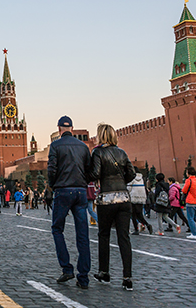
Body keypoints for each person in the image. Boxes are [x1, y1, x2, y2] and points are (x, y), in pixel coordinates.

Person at [89, 123, 136, 291]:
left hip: (107, 199)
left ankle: (104, 272)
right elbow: (131, 173)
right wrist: (121, 183)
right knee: (124, 238)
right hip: (124, 198)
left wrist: (90, 176)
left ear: (101, 136)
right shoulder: (122, 152)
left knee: (104, 235)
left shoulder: (98, 152)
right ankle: (127, 277)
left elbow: (95, 173)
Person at [47, 115, 91, 289]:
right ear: (72, 129)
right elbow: (89, 169)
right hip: (80, 192)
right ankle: (84, 277)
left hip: (63, 191)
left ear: (59, 129)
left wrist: (53, 185)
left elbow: (52, 169)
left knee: (57, 229)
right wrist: (82, 183)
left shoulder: (55, 145)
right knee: (83, 234)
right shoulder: (83, 146)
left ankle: (67, 269)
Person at [127, 170, 152, 235]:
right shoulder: (142, 179)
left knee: (133, 215)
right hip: (141, 198)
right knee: (139, 214)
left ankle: (136, 229)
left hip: (133, 198)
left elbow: (128, 189)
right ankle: (147, 224)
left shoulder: (131, 179)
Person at [182, 166, 196, 239]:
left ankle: (194, 233)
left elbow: (184, 190)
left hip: (191, 201)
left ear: (188, 173)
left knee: (190, 218)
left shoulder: (189, 180)